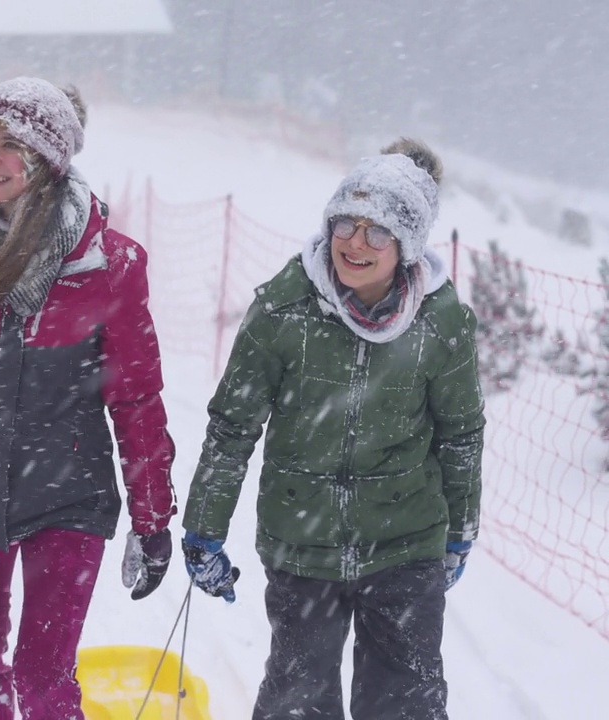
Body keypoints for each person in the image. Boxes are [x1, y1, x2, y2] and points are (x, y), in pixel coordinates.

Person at [0, 77, 178, 719]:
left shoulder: (111, 265)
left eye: (10, 145)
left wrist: (153, 517)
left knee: (45, 674)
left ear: (49, 161)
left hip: (67, 495)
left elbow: (136, 399)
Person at [181, 139, 484, 720]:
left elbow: (461, 433)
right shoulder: (283, 309)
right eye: (347, 222)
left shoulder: (442, 322)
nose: (356, 242)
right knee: (298, 701)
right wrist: (204, 529)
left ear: (409, 244)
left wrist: (460, 531)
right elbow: (232, 426)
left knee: (404, 704)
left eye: (379, 232)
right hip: (302, 541)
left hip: (406, 540)